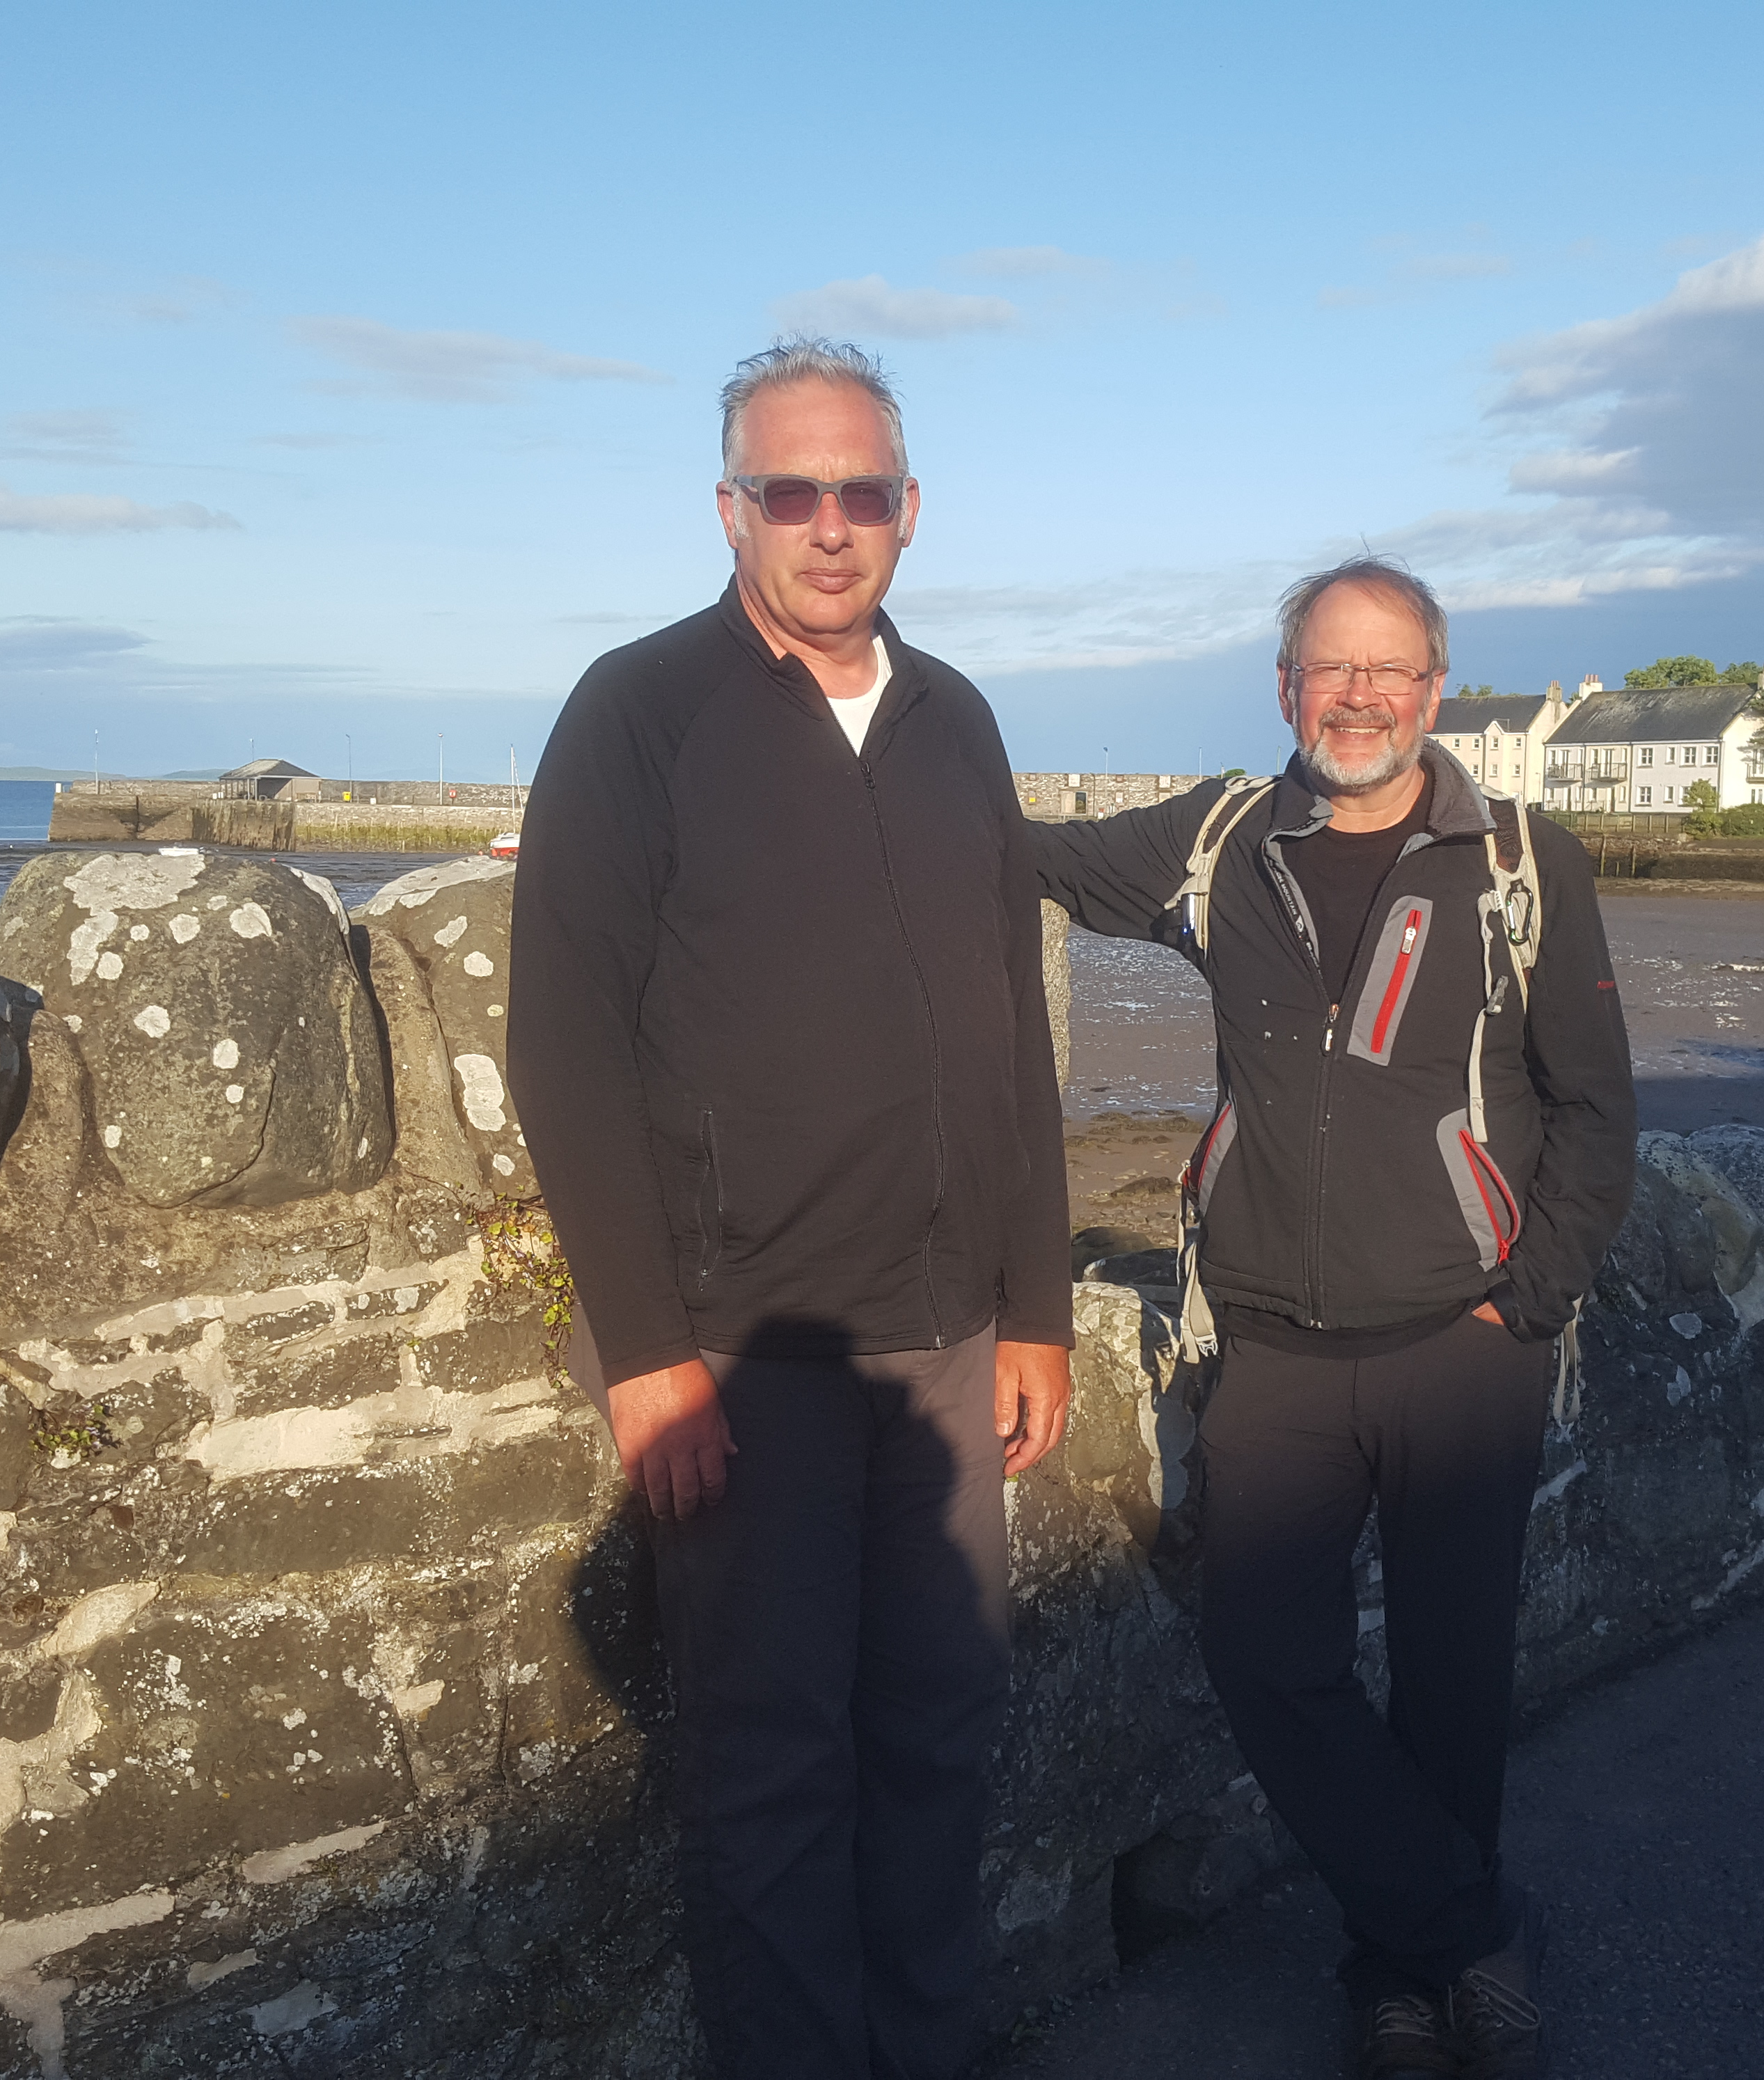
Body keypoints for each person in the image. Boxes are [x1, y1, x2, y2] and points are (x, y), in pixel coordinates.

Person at [506, 338, 1075, 2080]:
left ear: (911, 512)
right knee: (765, 1773)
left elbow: (1001, 1024)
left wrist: (1038, 1298)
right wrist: (648, 1359)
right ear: (732, 507)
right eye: (790, 492)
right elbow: (562, 1042)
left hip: (947, 1331)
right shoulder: (638, 708)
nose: (830, 528)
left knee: (935, 1738)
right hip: (744, 1348)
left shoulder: (956, 716)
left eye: (863, 494)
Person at [1034, 560, 1635, 2079]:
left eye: (1391, 672)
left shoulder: (1520, 860)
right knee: (1265, 1659)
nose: (1357, 697)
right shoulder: (1219, 840)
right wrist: (863, 759)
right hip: (1276, 1346)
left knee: (1449, 1681)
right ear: (1284, 686)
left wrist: (1535, 1295)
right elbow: (1019, 859)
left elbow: (1593, 1102)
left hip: (1462, 1343)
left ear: (1438, 692)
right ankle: (1469, 1930)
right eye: (1328, 669)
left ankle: (1396, 1982)